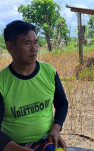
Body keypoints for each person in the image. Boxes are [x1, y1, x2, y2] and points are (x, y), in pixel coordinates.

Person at [0, 20, 68, 151]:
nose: (34, 49)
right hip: (12, 145)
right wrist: (17, 148)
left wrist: (56, 129)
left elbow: (62, 104)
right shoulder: (2, 82)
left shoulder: (49, 72)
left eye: (36, 42)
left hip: (46, 141)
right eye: (27, 43)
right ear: (10, 47)